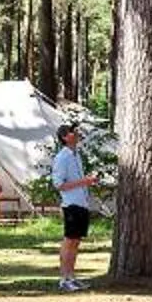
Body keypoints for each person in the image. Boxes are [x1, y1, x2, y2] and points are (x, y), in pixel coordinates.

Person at [52, 121, 98, 293]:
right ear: (65, 137)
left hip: (82, 203)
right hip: (71, 204)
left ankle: (71, 276)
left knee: (76, 241)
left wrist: (88, 181)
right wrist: (84, 181)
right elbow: (59, 184)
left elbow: (77, 180)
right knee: (69, 240)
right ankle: (63, 279)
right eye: (72, 132)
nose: (76, 134)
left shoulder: (76, 155)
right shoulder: (62, 157)